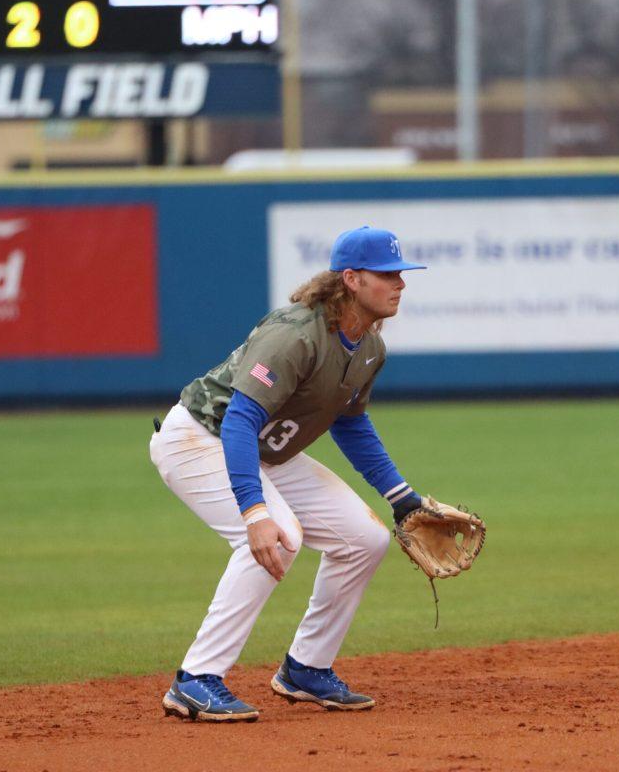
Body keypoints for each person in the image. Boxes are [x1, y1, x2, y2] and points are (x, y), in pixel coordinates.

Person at [149, 226, 428, 722]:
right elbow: (239, 419)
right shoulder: (295, 334)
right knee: (277, 537)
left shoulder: (368, 348)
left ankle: (306, 668)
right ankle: (195, 680)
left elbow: (350, 422)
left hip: (264, 452)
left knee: (364, 538)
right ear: (351, 279)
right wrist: (254, 512)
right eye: (387, 274)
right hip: (200, 439)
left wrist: (402, 496)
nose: (399, 283)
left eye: (401, 273)